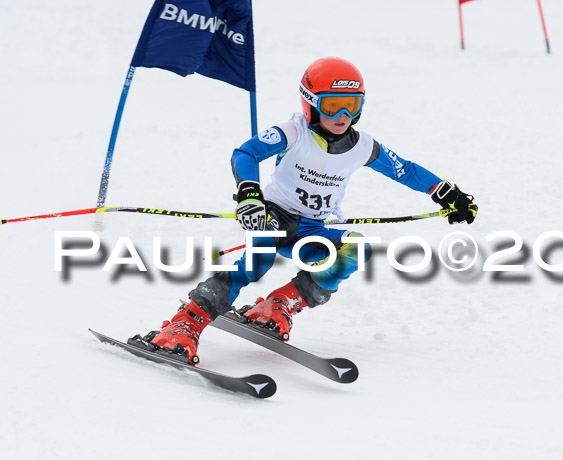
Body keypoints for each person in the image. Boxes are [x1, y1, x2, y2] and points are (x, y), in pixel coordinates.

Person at [145, 57, 478, 364]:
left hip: (316, 227)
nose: (343, 117)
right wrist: (250, 193)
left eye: (352, 106)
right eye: (333, 107)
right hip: (273, 215)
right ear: (311, 103)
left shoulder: (362, 145)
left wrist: (447, 193)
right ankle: (184, 324)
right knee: (257, 260)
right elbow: (245, 154)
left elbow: (405, 170)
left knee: (357, 247)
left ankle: (277, 305)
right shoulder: (294, 131)